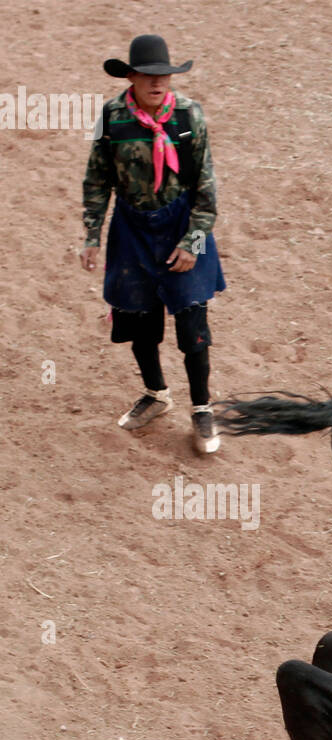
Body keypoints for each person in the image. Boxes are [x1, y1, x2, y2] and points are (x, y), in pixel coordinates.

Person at [80, 34, 226, 455]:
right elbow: (97, 180)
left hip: (180, 224)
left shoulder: (188, 116)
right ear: (131, 77)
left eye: (162, 74)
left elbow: (206, 188)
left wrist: (193, 242)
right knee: (140, 321)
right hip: (132, 229)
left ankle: (202, 407)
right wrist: (91, 235)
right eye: (147, 74)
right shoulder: (111, 118)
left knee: (192, 325)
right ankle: (157, 393)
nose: (156, 82)